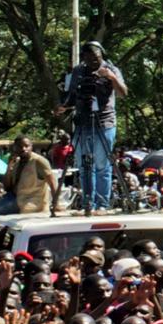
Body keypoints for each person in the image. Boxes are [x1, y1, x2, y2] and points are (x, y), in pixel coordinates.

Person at [59, 42, 126, 213]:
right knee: (84, 165)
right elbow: (72, 95)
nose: (93, 62)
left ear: (102, 55)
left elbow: (123, 92)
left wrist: (111, 77)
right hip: (83, 122)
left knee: (102, 165)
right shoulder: (78, 71)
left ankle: (102, 204)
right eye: (88, 59)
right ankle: (88, 203)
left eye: (96, 58)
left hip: (105, 122)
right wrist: (63, 106)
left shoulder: (111, 68)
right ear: (83, 58)